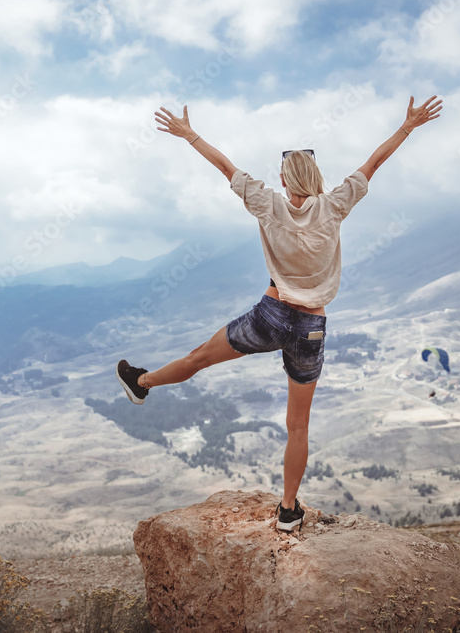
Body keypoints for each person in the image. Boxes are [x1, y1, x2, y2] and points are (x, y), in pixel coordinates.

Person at [117, 96, 442, 531]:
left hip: (270, 317)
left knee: (198, 358)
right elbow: (374, 162)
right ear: (316, 176)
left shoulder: (267, 203)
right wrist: (409, 126)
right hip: (311, 326)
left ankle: (142, 383)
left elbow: (224, 166)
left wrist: (188, 133)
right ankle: (289, 510)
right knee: (298, 427)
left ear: (285, 178)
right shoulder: (335, 205)